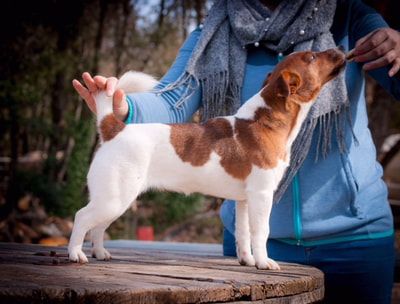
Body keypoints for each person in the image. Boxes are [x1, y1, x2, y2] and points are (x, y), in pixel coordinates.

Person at [73, 0, 400, 303]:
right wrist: (122, 106)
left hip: (356, 242)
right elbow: (171, 101)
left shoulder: (350, 14)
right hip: (253, 250)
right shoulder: (213, 30)